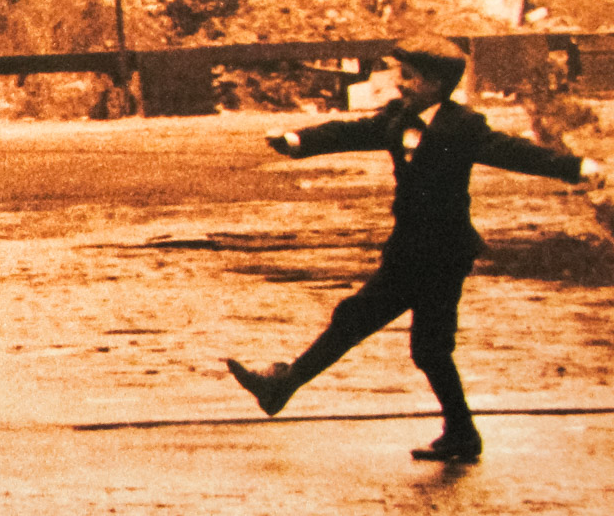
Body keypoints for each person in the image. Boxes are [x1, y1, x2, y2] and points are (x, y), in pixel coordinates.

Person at [227, 35, 604, 463]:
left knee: (373, 325)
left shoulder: (462, 126)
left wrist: (575, 167)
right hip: (410, 249)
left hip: (442, 253)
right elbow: (351, 131)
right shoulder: (398, 117)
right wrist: (299, 140)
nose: (400, 83)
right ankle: (459, 432)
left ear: (435, 84)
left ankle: (284, 385)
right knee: (416, 342)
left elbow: (513, 152)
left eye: (409, 76)